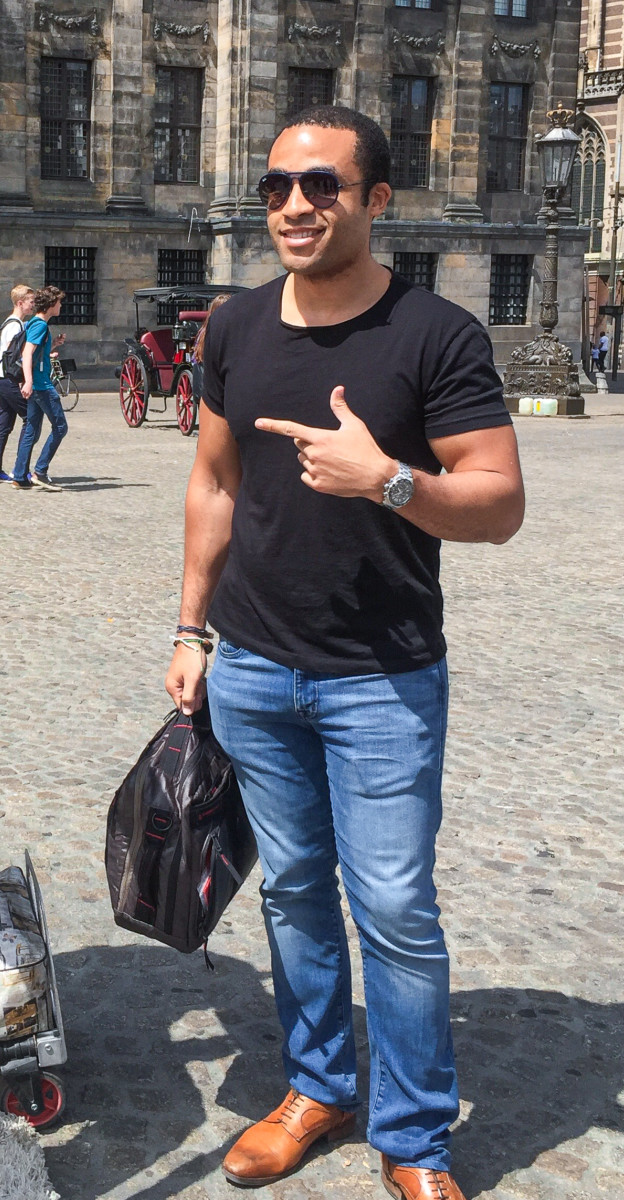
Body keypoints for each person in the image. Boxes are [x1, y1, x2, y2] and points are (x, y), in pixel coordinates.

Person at [164, 105, 524, 1200]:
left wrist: (392, 481)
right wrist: (192, 629)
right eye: (278, 186)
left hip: (383, 678)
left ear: (376, 200)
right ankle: (317, 1089)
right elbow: (215, 484)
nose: (295, 206)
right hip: (258, 669)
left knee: (397, 910)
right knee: (295, 896)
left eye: (322, 186)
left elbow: (499, 502)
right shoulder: (234, 328)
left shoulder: (437, 335)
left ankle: (414, 1139)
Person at [11, 285, 67, 492]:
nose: (61, 305)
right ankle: (40, 472)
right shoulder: (40, 325)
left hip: (36, 384)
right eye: (59, 302)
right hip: (41, 386)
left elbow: (36, 354)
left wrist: (53, 345)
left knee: (31, 430)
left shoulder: (35, 324)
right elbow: (27, 353)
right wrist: (27, 381)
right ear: (52, 304)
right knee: (60, 427)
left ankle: (19, 476)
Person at [0, 284, 35, 483]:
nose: (33, 305)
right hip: (9, 379)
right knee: (31, 418)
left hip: (0, 378)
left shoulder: (8, 323)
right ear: (20, 303)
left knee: (4, 426)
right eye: (31, 302)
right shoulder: (16, 326)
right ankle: (20, 469)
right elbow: (18, 356)